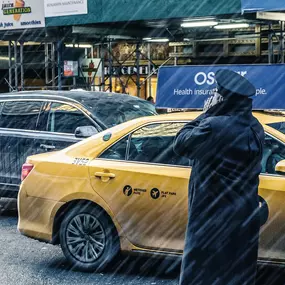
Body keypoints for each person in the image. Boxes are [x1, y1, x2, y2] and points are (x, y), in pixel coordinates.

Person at [173, 69, 264, 285]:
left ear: (221, 98)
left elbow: (180, 143)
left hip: (211, 220)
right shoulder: (256, 127)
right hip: (243, 218)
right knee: (236, 275)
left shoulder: (214, 126)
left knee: (202, 275)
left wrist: (207, 112)